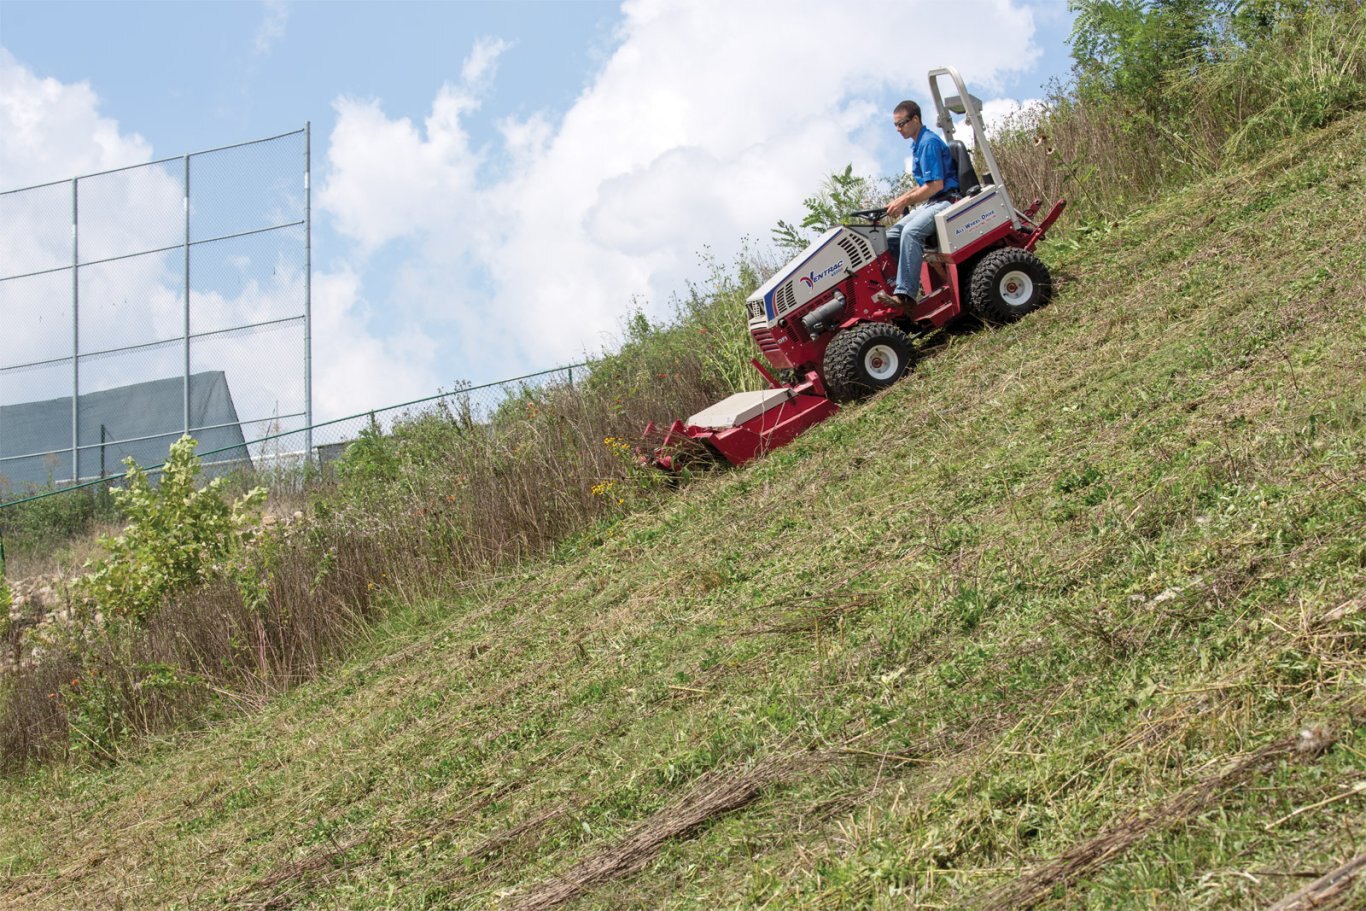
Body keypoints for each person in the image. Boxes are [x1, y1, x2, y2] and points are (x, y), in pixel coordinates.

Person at [875, 100, 959, 307]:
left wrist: (905, 201)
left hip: (945, 200)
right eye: (895, 125)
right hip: (933, 202)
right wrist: (899, 200)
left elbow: (935, 185)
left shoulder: (928, 143)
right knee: (891, 235)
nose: (898, 129)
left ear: (915, 119)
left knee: (910, 232)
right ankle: (895, 284)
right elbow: (924, 184)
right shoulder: (918, 144)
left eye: (901, 123)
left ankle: (905, 295)